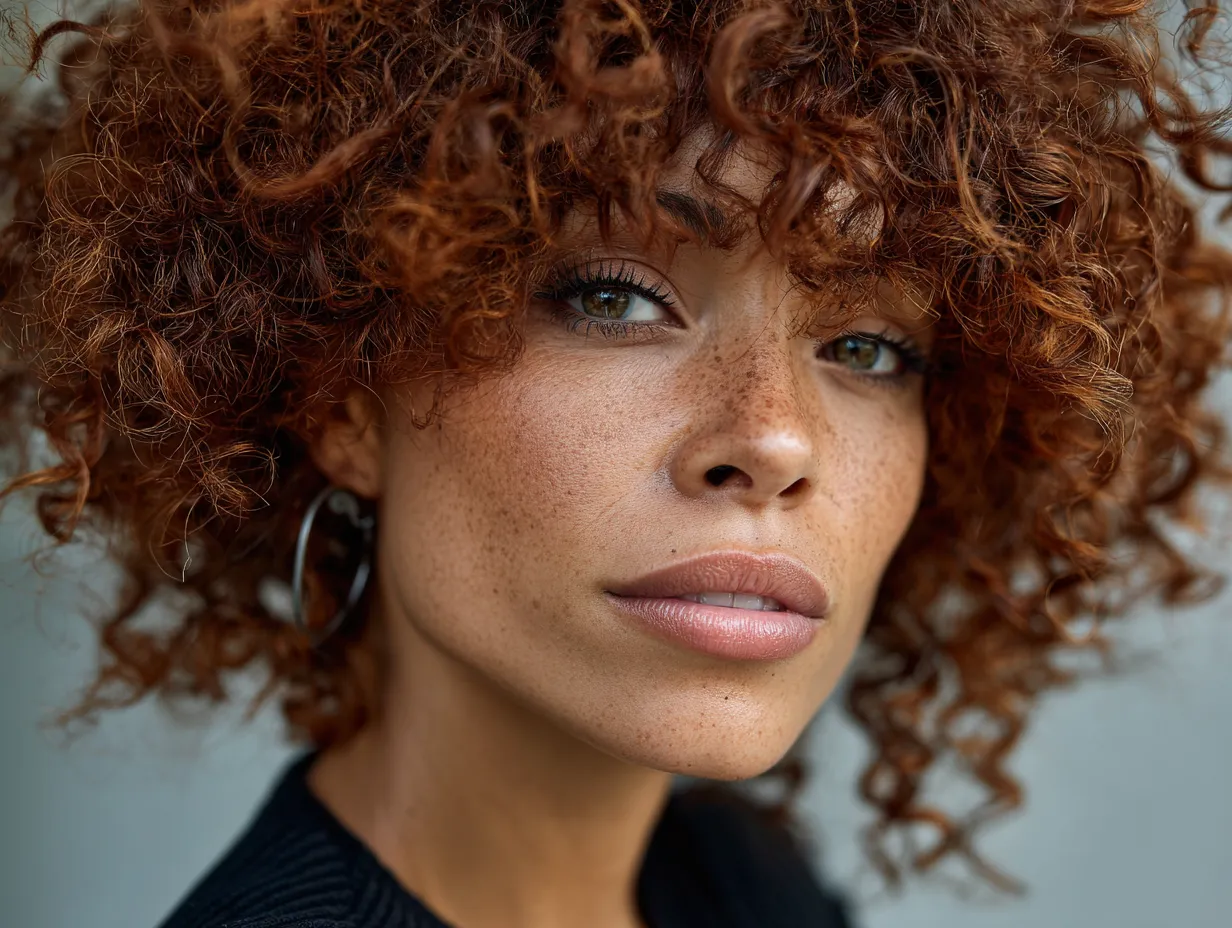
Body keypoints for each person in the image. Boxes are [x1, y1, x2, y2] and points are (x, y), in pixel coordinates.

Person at [2, 0, 1230, 926]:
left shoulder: (737, 884)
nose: (772, 436)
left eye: (866, 344)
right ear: (340, 398)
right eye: (609, 296)